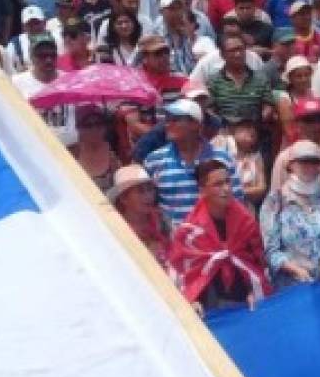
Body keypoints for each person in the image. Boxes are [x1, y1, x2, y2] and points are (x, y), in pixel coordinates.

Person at [170, 158, 270, 313]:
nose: (226, 188)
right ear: (202, 190)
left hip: (245, 301)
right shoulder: (190, 232)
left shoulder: (246, 222)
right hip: (206, 305)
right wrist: (192, 300)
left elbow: (256, 262)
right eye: (218, 184)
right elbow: (183, 272)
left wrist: (253, 291)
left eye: (228, 182)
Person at [260, 139, 320, 288]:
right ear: (290, 165)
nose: (310, 166)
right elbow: (271, 251)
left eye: (315, 162)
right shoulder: (275, 201)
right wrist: (295, 269)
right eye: (303, 161)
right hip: (291, 287)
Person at [142, 99, 243, 229]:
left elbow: (237, 202)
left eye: (175, 120)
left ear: (195, 124)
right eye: (167, 120)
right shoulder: (154, 160)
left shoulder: (223, 158)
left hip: (215, 242)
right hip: (173, 244)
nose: (168, 124)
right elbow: (148, 207)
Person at [108, 165, 171, 266]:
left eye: (150, 190)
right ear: (124, 198)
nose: (149, 196)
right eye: (141, 191)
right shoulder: (115, 228)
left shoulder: (162, 219)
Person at [69, 105, 119, 192]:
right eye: (88, 125)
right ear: (78, 128)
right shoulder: (71, 153)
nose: (94, 129)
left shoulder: (114, 150)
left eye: (99, 124)